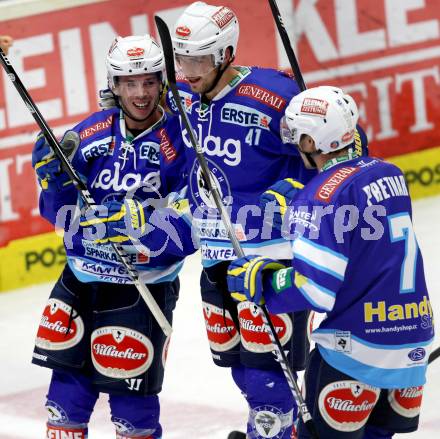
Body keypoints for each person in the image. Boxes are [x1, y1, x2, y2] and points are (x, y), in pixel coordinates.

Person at [227, 85, 434, 439]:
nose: (293, 144)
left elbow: (316, 290)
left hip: (355, 350)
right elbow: (364, 250)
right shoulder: (391, 173)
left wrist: (262, 281)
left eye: (297, 136)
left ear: (311, 142)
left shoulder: (319, 198)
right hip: (411, 346)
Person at [163, 2, 327, 438]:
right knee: (238, 364)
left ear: (224, 54)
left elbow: (330, 155)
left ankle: (271, 430)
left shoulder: (275, 94)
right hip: (216, 257)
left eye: (197, 58)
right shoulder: (182, 100)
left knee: (269, 373)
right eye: (181, 58)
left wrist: (286, 192)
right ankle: (274, 428)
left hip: (270, 261)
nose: (187, 69)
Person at [31, 34, 193, 439]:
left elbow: (195, 222)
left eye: (150, 82)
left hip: (143, 287)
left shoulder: (183, 138)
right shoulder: (88, 135)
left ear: (162, 82)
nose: (141, 93)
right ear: (114, 85)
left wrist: (138, 227)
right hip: (81, 280)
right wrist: (52, 183)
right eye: (129, 83)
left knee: (131, 411)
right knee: (64, 403)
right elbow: (58, 216)